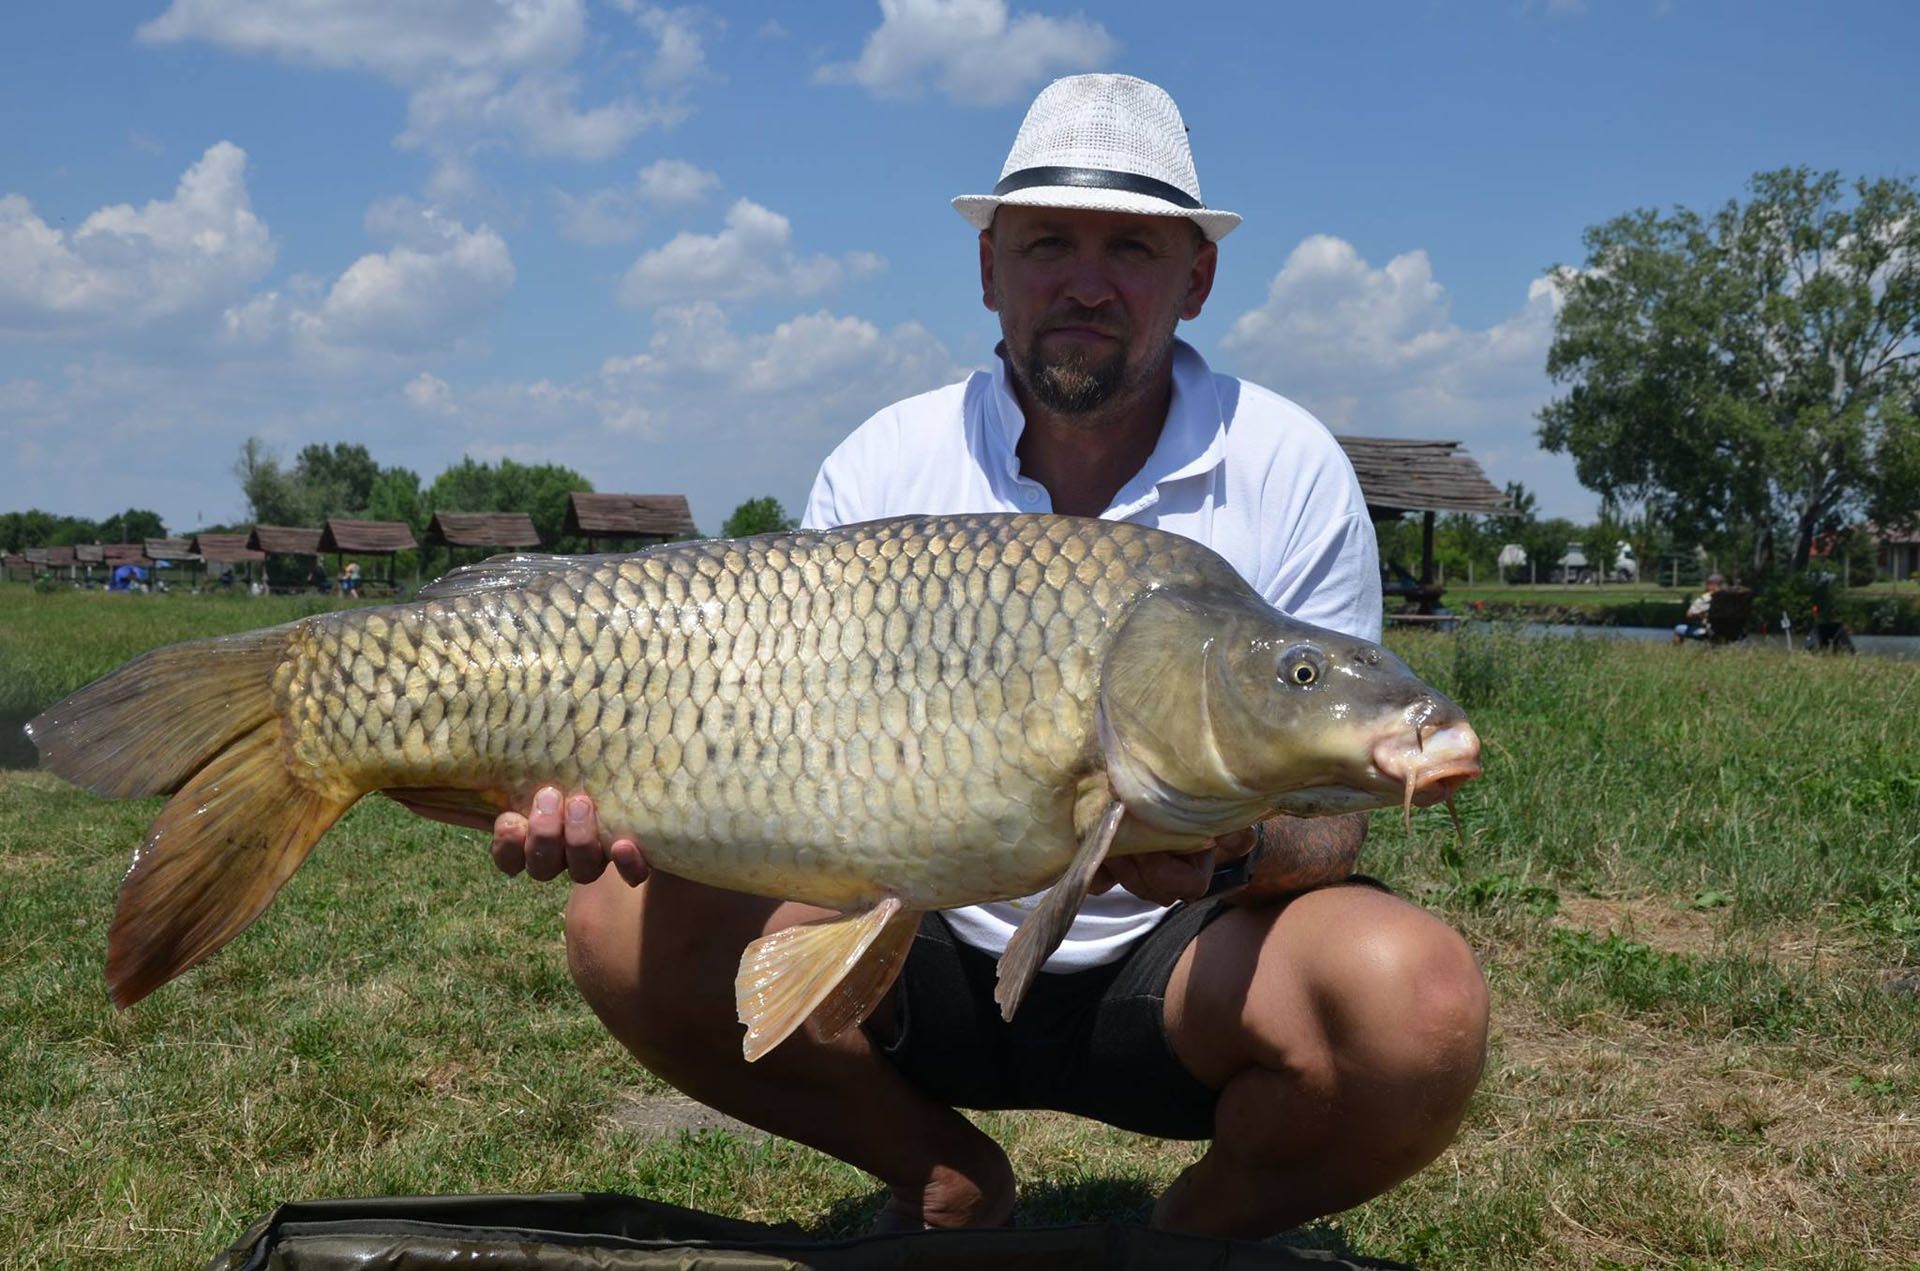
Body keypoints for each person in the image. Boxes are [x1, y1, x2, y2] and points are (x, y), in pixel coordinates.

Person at [469, 75, 1489, 1238]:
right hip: (919, 942)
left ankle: (1188, 1239)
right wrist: (611, 798)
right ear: (990, 265)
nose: (1087, 283)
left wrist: (1223, 851)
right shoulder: (888, 460)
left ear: (1195, 277)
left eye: (1133, 248)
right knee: (616, 919)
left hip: (1185, 972)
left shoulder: (1289, 466)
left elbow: (1332, 827)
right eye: (1049, 242)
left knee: (1421, 1002)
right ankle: (942, 1175)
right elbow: (783, 754)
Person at [1673, 571, 1724, 642]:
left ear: (1712, 584)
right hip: (1730, 631)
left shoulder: (1705, 597)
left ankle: (1677, 652)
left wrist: (1699, 615)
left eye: (1707, 584)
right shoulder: (1732, 599)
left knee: (1678, 629)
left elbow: (1689, 614)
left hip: (1708, 631)